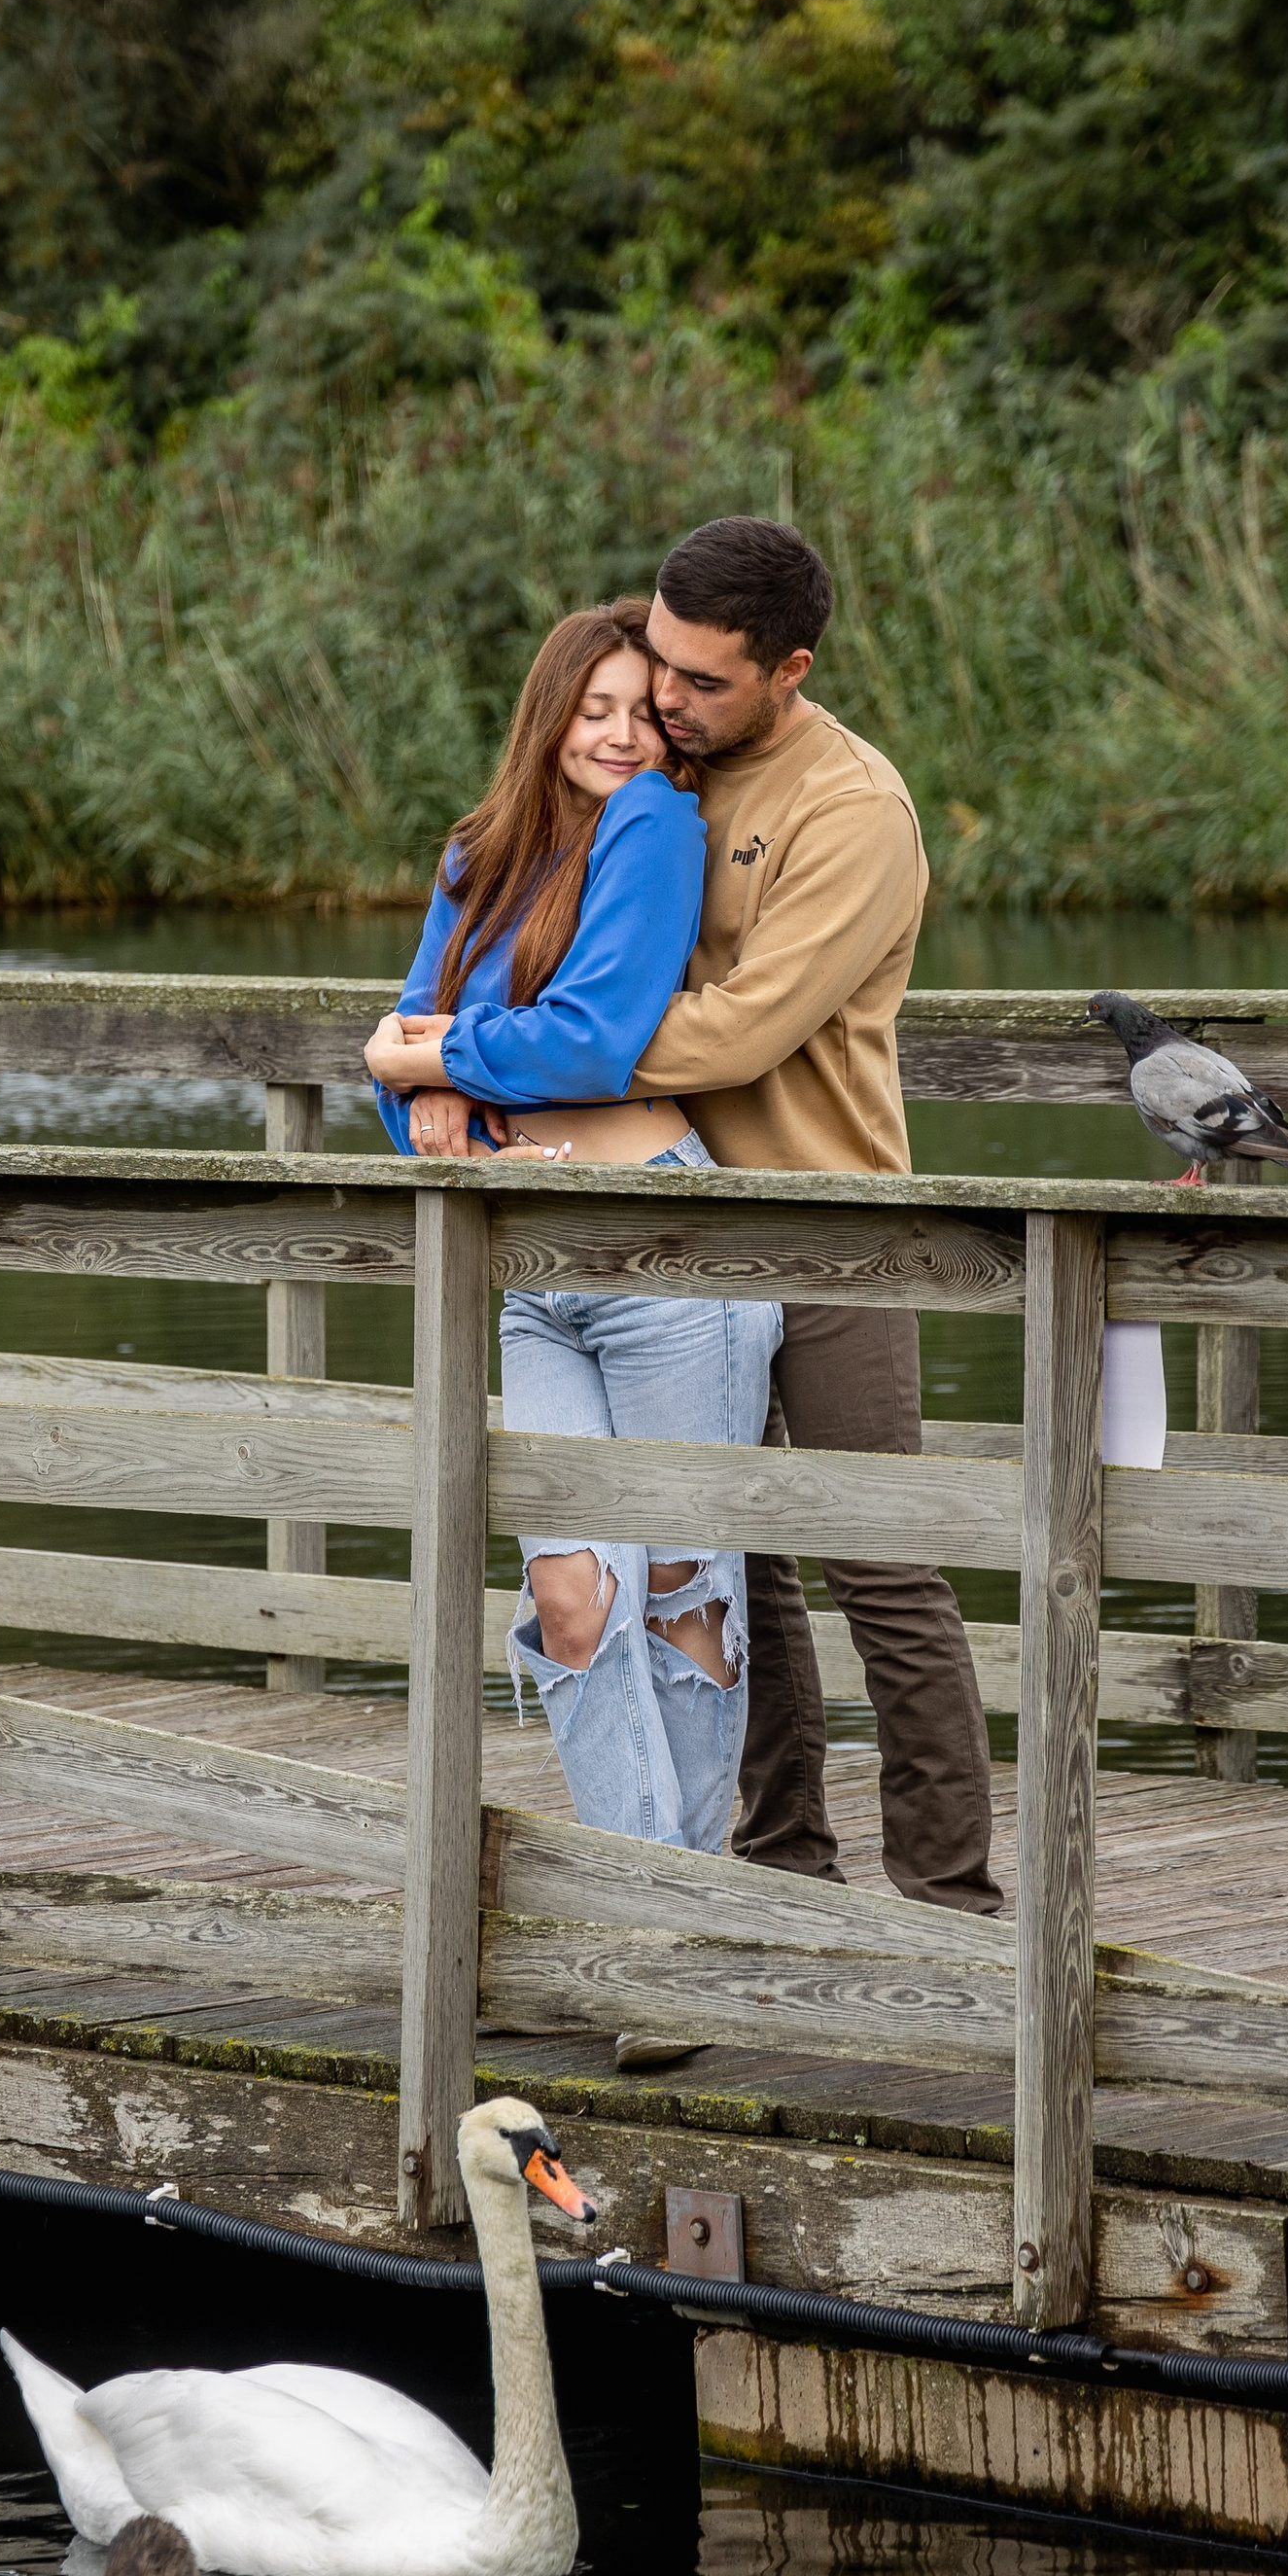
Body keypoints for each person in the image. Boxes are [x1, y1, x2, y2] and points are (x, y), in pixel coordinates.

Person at [619, 512, 1001, 1917]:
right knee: (732, 1565)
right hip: (674, 1238)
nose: (668, 695)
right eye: (659, 660)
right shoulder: (653, 760)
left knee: (879, 1566)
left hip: (832, 1224)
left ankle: (950, 1904)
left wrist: (540, 1051)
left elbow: (739, 1037)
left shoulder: (854, 809)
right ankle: (782, 1866)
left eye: (705, 679)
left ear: (791, 668)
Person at [366, 604, 783, 1853]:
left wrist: (441, 1056)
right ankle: (653, 1911)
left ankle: (664, 1944)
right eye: (589, 711)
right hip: (532, 1273)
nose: (615, 736)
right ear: (546, 718)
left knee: (679, 1602)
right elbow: (397, 1042)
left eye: (640, 716)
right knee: (570, 1598)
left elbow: (600, 1038)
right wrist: (431, 1085)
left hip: (669, 1263)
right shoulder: (476, 853)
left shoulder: (655, 824)